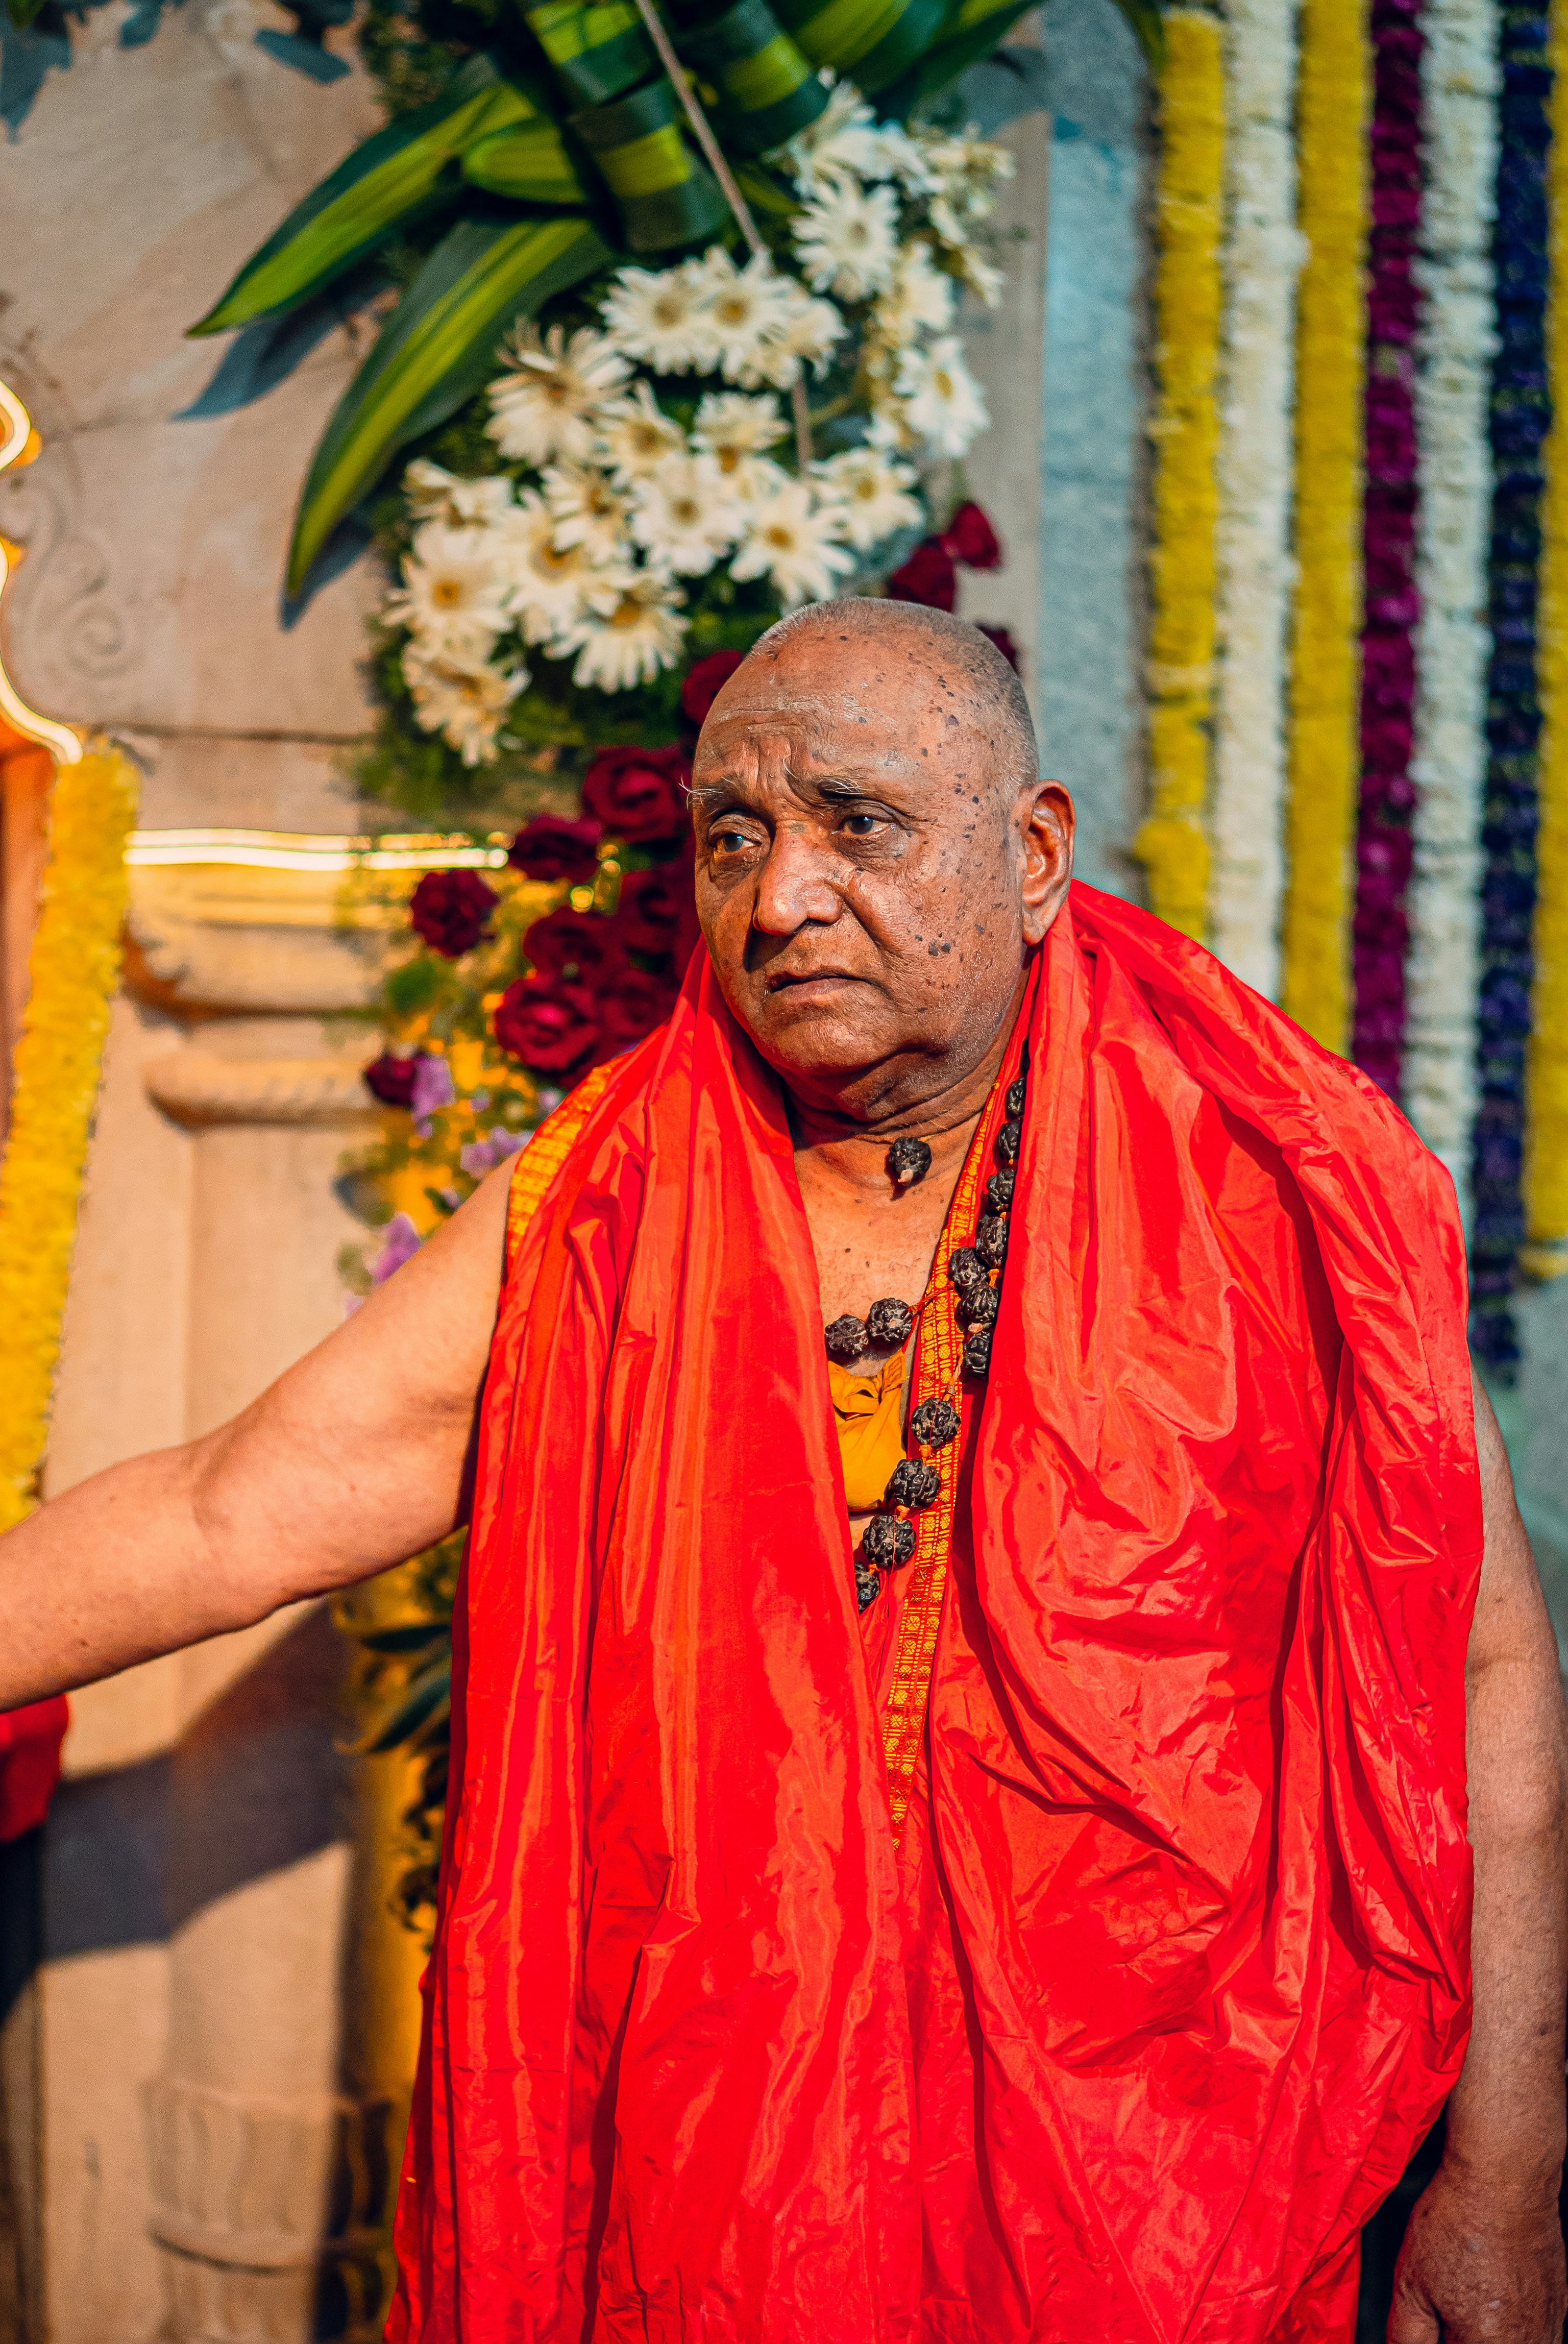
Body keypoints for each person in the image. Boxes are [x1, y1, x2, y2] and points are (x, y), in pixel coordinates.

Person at [2, 601, 1564, 2344]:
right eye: (733, 837)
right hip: (733, 2186)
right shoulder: (611, 1202)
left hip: (1177, 2178)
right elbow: (227, 1514)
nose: (782, 900)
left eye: (858, 824)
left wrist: (1509, 2176)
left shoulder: (1282, 1186)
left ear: (1035, 854)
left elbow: (1482, 1664)